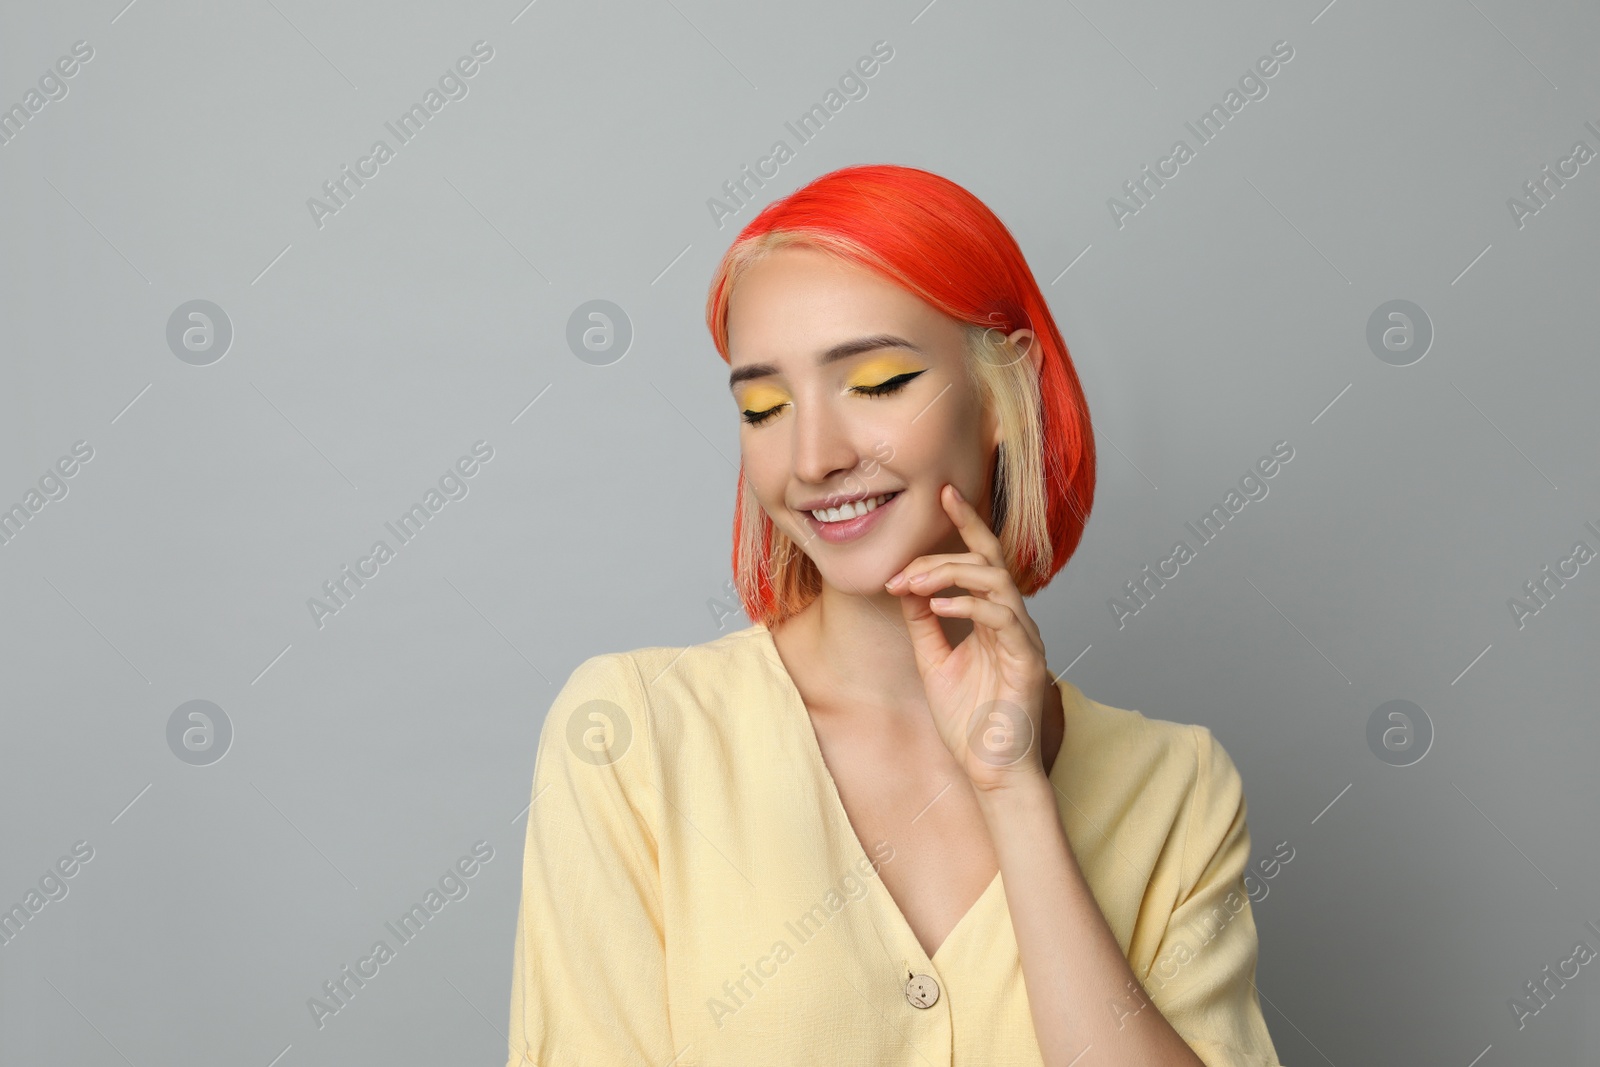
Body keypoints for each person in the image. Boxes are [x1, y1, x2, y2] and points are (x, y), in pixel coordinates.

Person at [506, 163, 1283, 1066]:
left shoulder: (1177, 787)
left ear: (1003, 390)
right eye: (763, 406)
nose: (813, 456)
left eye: (875, 384)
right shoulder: (632, 734)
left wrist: (1016, 794)